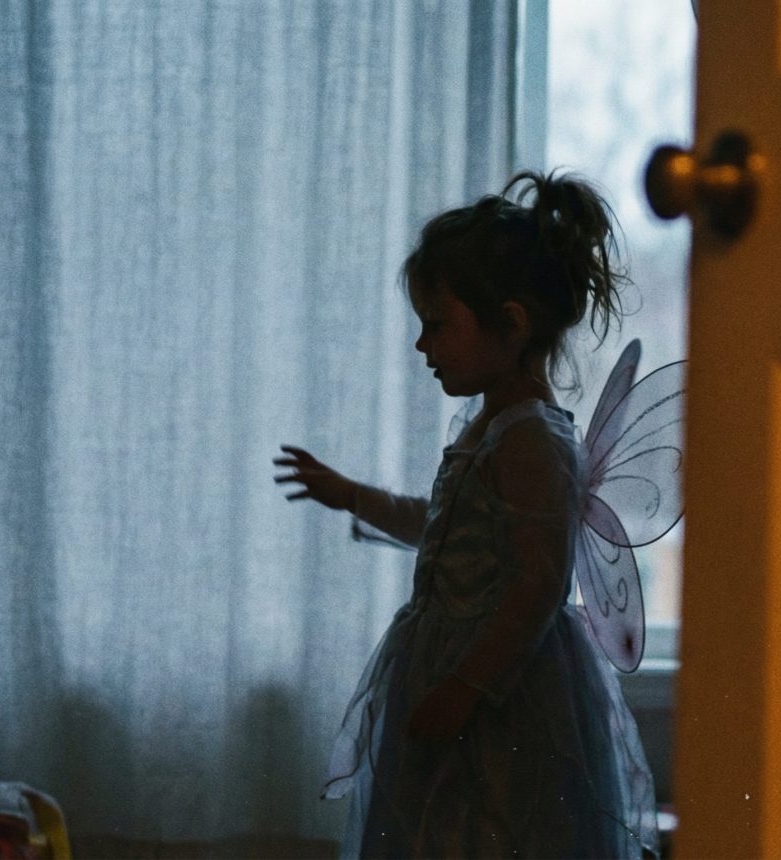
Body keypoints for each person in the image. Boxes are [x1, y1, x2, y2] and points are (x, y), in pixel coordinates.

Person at [274, 171, 657, 859]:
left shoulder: (535, 438)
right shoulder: (488, 428)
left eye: (438, 324)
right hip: (450, 671)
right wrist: (353, 494)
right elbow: (449, 529)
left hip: (500, 692)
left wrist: (467, 687)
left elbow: (539, 584)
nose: (425, 345)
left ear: (511, 324)